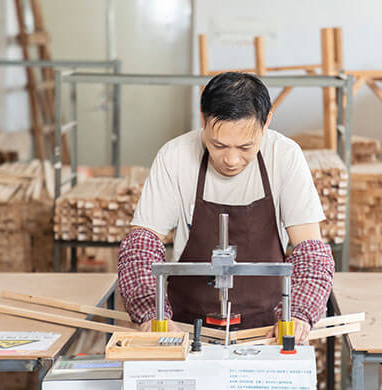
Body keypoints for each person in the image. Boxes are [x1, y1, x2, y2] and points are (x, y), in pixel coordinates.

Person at [118, 72, 334, 344]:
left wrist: (299, 314)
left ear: (266, 123)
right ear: (203, 119)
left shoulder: (285, 156)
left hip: (267, 332)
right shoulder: (175, 157)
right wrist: (151, 314)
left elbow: (311, 251)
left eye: (246, 147)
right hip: (184, 330)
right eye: (218, 145)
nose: (231, 160)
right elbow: (141, 245)